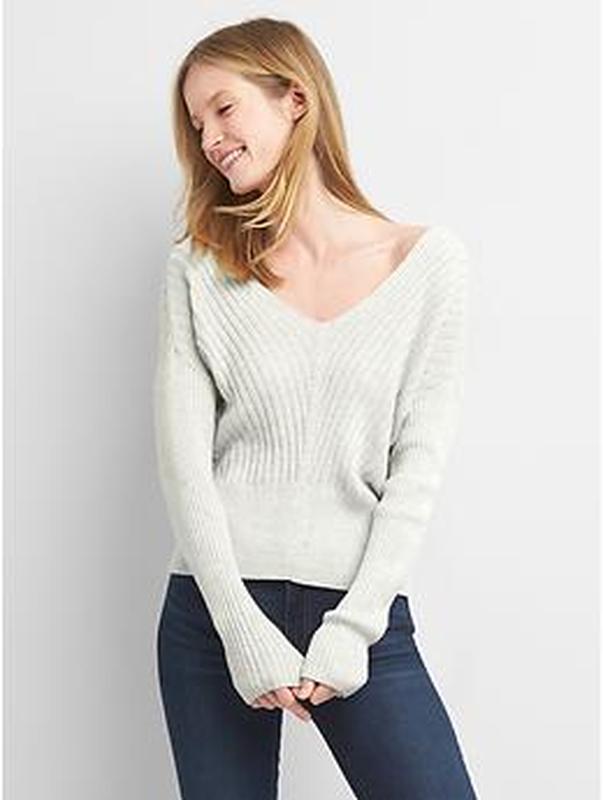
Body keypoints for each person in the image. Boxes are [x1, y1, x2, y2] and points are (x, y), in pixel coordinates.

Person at [153, 15, 479, 800]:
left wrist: (356, 627)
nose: (209, 140)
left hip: (358, 610)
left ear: (294, 99)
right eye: (196, 125)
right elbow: (183, 462)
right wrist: (237, 626)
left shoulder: (427, 265)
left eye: (223, 109)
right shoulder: (199, 267)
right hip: (211, 612)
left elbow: (417, 468)